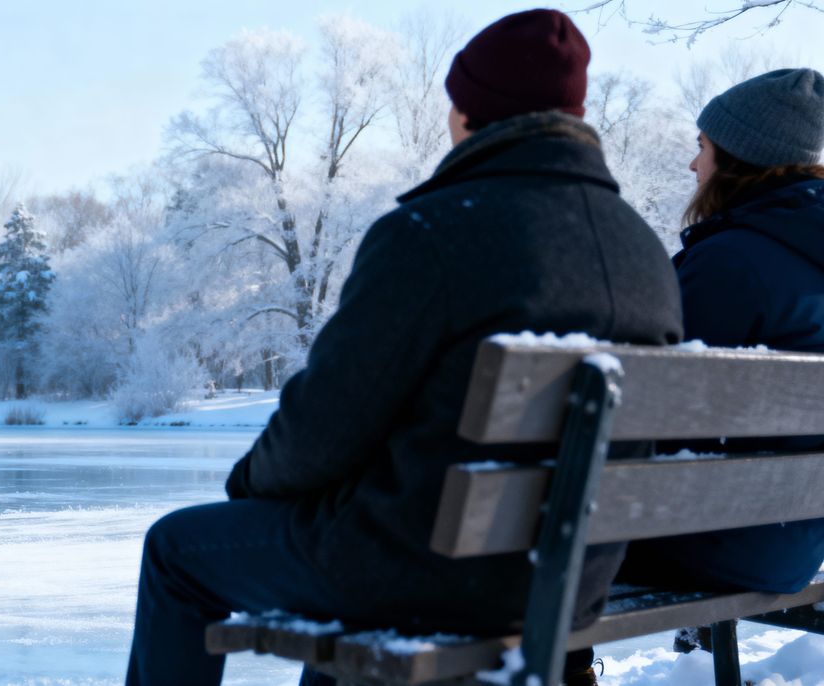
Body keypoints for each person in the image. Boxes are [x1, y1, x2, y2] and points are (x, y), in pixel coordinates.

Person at [124, 10, 683, 686]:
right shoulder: (645, 251)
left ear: (469, 112)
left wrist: (250, 491)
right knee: (341, 553)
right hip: (571, 576)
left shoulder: (433, 234)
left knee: (176, 552)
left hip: (427, 571)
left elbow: (321, 430)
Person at [615, 68, 824, 612]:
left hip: (714, 537)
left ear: (737, 158)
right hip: (796, 540)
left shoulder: (732, 263)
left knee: (529, 524)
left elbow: (642, 403)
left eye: (702, 147)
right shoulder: (795, 252)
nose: (693, 164)